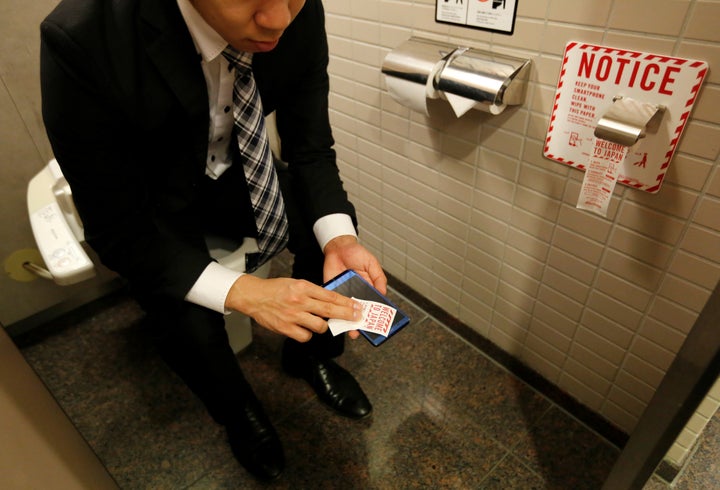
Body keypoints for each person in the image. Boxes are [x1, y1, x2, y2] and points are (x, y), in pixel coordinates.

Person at [40, 0, 387, 481]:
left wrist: (340, 239)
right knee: (184, 314)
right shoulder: (83, 37)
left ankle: (312, 356)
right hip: (149, 198)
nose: (278, 20)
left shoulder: (295, 11)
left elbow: (310, 146)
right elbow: (117, 228)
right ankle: (237, 411)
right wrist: (241, 292)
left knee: (325, 228)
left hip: (234, 166)